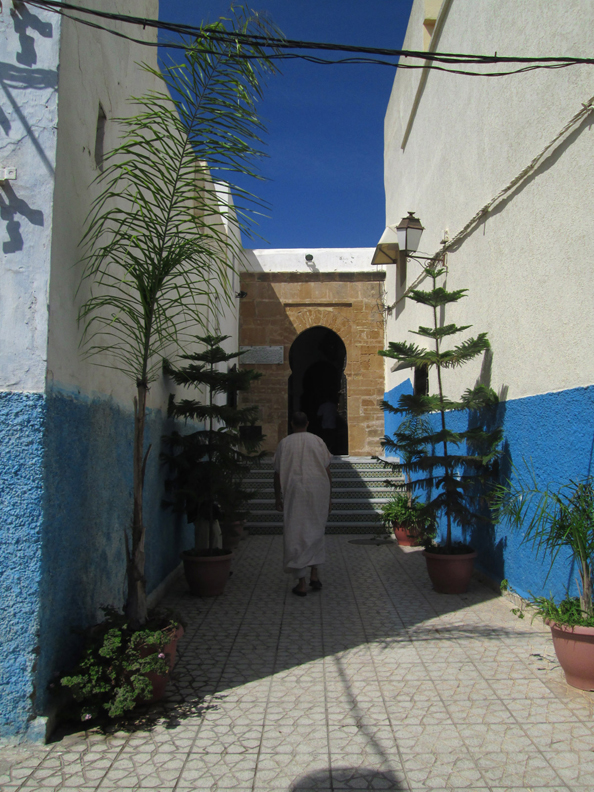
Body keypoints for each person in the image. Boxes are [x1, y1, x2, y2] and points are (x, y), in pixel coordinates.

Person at [274, 411, 332, 597]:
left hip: (294, 492)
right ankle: (314, 574)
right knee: (316, 529)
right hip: (318, 491)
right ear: (307, 423)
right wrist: (330, 496)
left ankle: (301, 583)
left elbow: (277, 473)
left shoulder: (284, 444)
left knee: (296, 533)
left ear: (292, 424)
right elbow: (327, 469)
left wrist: (277, 497)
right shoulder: (318, 441)